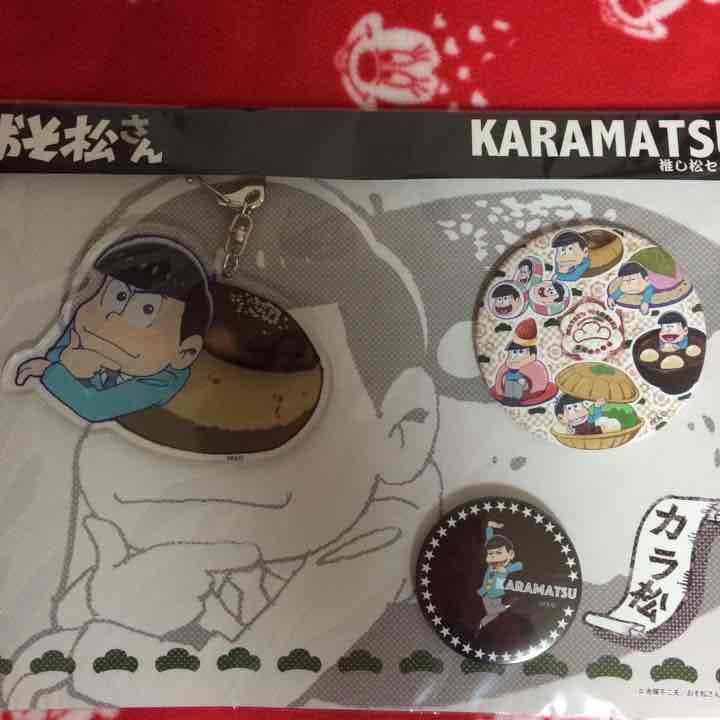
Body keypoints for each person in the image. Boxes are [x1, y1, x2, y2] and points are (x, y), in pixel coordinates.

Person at [2, 178, 440, 709]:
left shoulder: (395, 536)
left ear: (403, 429)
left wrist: (101, 640)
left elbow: (254, 678)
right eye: (133, 387)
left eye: (268, 406)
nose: (188, 460)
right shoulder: (98, 506)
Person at [13, 237, 211, 423]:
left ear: (184, 352)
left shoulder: (162, 380)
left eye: (147, 309)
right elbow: (59, 353)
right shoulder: (91, 326)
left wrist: (51, 371)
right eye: (118, 296)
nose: (113, 317)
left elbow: (95, 407)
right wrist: (69, 360)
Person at [477, 521, 523, 629]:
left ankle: (481, 625)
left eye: (498, 553)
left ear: (511, 554)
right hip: (485, 593)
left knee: (493, 613)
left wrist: (506, 569)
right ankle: (506, 607)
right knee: (493, 613)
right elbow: (489, 541)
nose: (493, 556)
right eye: (490, 554)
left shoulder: (507, 567)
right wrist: (489, 527)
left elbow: (519, 565)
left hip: (496, 595)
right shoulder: (491, 565)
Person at [493, 318, 551, 404]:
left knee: (517, 385)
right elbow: (501, 377)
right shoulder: (506, 365)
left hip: (522, 384)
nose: (516, 355)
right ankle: (509, 398)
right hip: (510, 382)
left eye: (520, 352)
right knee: (509, 385)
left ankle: (516, 398)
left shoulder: (535, 366)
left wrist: (523, 382)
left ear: (531, 352)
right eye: (514, 352)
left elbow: (535, 380)